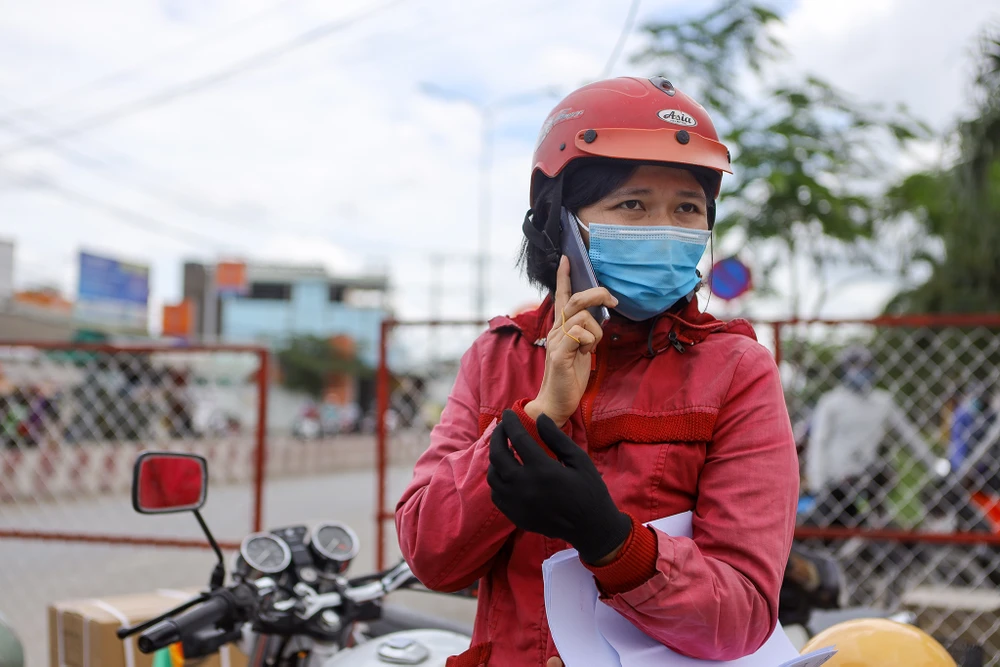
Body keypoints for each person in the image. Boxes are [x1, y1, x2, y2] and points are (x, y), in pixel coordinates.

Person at [395, 76, 799, 666]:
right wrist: (537, 418)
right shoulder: (498, 357)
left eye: (688, 208)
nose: (665, 229)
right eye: (632, 204)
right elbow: (431, 556)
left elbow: (741, 616)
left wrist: (612, 541)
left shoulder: (737, 370)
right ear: (559, 220)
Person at [804, 346, 946, 528]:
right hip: (836, 480)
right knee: (830, 525)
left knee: (878, 520)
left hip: (869, 476)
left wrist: (935, 467)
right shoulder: (831, 402)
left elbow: (909, 437)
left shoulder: (882, 402)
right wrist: (817, 482)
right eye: (854, 366)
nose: (860, 371)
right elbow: (818, 443)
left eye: (865, 366)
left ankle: (879, 524)